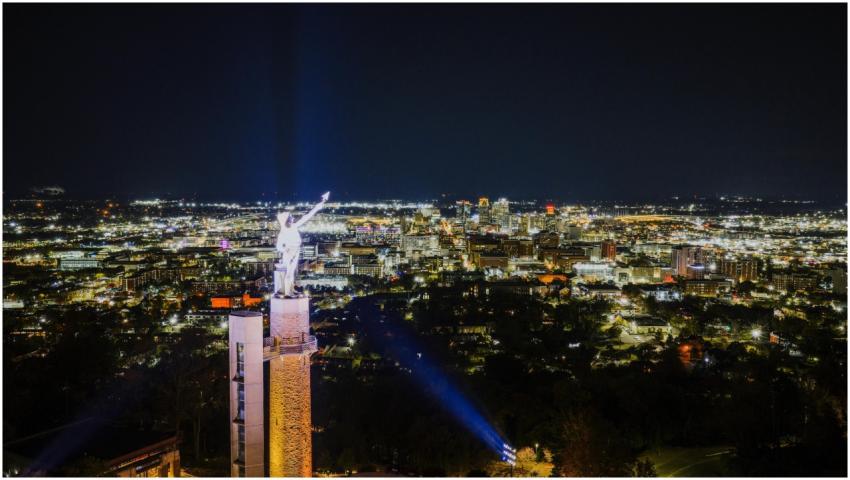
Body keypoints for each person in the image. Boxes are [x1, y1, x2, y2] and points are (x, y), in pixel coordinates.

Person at [275, 191, 330, 295]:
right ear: (287, 220)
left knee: (293, 272)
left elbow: (307, 217)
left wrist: (319, 205)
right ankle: (287, 292)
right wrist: (285, 250)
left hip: (295, 250)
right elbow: (278, 246)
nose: (293, 218)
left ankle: (290, 289)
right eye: (290, 217)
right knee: (289, 272)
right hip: (290, 251)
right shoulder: (284, 232)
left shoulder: (293, 226)